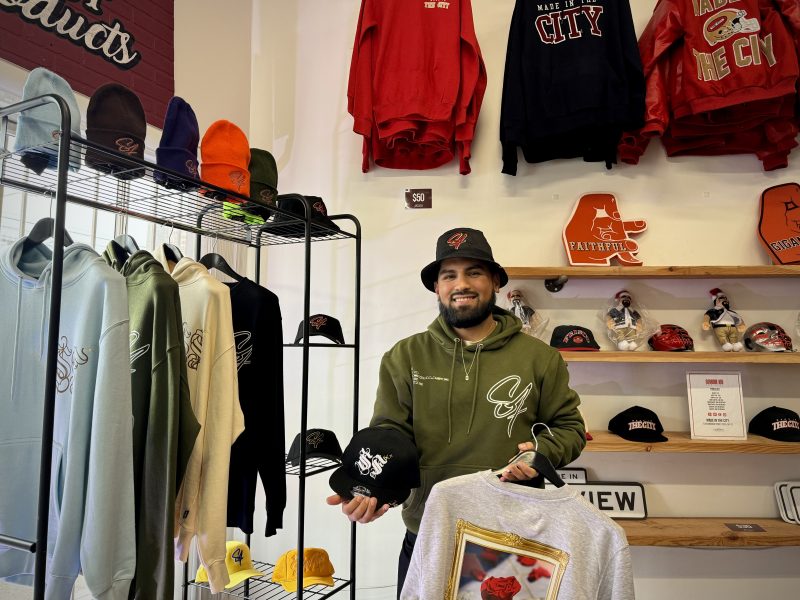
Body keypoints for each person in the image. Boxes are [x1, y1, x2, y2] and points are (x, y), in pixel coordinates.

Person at [326, 227, 586, 598]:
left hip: (512, 531)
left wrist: (541, 454)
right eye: (449, 275)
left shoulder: (539, 357)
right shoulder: (405, 356)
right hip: (429, 528)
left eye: (474, 272)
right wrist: (370, 491)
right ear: (437, 287)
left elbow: (569, 428)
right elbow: (389, 438)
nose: (461, 284)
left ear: (495, 280)